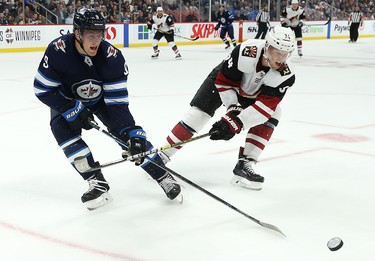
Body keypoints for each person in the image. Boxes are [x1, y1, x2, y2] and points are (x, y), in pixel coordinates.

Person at [33, 8, 182, 211]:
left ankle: (162, 175)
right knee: (61, 130)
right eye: (90, 35)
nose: (96, 40)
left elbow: (118, 105)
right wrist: (70, 108)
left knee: (128, 136)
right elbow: (43, 89)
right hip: (66, 98)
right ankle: (97, 182)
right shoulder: (58, 51)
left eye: (100, 34)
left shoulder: (112, 58)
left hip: (102, 101)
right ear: (77, 33)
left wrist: (131, 132)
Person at [160, 26, 296, 190]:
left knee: (275, 113)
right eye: (277, 52)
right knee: (198, 115)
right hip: (223, 81)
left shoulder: (286, 74)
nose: (281, 58)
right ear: (267, 46)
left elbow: (265, 107)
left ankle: (245, 163)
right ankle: (161, 156)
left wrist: (237, 122)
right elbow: (225, 82)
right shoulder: (246, 51)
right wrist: (232, 111)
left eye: (285, 53)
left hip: (252, 91)